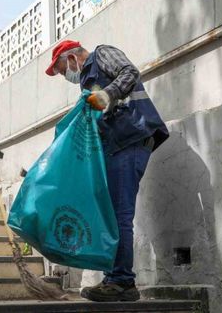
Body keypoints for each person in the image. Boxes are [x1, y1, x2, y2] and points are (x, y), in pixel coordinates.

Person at [45, 40, 169, 302]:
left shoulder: (102, 54)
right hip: (118, 146)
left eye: (59, 69)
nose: (63, 76)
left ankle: (122, 282)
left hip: (132, 138)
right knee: (111, 213)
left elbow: (130, 72)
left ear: (71, 58)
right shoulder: (87, 81)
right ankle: (115, 279)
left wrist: (107, 95)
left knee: (119, 214)